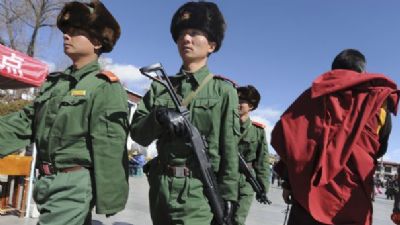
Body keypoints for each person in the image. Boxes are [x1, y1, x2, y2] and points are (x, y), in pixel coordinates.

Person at [0, 1, 129, 224]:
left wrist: (111, 197)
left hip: (73, 185)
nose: (66, 36)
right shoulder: (55, 84)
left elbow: (110, 145)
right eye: (66, 32)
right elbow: (25, 121)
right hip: (46, 183)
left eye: (75, 32)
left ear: (97, 42)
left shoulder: (104, 86)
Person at [130, 1, 240, 224]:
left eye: (194, 32)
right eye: (181, 34)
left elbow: (229, 148)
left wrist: (229, 196)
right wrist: (158, 116)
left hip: (198, 192)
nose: (186, 39)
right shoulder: (160, 86)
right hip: (160, 187)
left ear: (212, 45)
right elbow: (138, 135)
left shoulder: (223, 91)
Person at [271, 49, 399, 225]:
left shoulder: (313, 96)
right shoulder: (378, 103)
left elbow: (292, 142)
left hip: (309, 195)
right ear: (362, 72)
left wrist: (287, 183)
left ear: (332, 70)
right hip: (351, 199)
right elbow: (380, 147)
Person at [233, 85, 270, 225]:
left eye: (242, 100)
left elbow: (262, 162)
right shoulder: (224, 124)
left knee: (238, 220)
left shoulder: (257, 131)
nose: (237, 103)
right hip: (223, 177)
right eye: (236, 99)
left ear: (252, 106)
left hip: (246, 181)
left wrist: (262, 188)